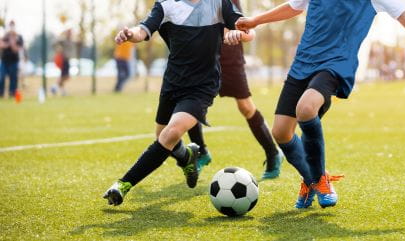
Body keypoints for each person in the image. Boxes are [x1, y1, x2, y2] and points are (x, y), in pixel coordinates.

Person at [233, 0, 405, 208]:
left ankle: (319, 180)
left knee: (306, 109)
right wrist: (255, 21)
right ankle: (312, 178)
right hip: (304, 62)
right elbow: (294, 6)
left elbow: (400, 11)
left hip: (336, 63)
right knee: (280, 132)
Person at [103, 0, 254, 206]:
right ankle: (186, 157)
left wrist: (238, 34)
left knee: (171, 133)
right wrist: (130, 34)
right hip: (173, 83)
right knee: (162, 136)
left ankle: (123, 184)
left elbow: (248, 31)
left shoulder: (219, 3)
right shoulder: (166, 5)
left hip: (203, 86)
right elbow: (143, 30)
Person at [189, 0, 283, 180]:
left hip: (229, 57)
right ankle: (201, 152)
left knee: (246, 107)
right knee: (192, 104)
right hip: (202, 59)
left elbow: (246, 29)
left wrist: (236, 33)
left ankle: (273, 152)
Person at [0, 20, 24, 98]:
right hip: (4, 61)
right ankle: (1, 93)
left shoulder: (19, 37)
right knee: (2, 76)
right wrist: (8, 43)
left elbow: (16, 49)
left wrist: (12, 41)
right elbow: (1, 45)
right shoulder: (5, 36)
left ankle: (12, 93)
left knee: (13, 78)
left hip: (14, 61)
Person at [51, 29, 74, 96]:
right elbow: (54, 43)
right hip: (63, 60)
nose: (70, 34)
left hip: (67, 60)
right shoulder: (63, 40)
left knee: (64, 76)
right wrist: (58, 50)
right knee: (65, 76)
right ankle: (54, 87)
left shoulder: (71, 40)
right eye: (69, 33)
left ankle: (62, 91)